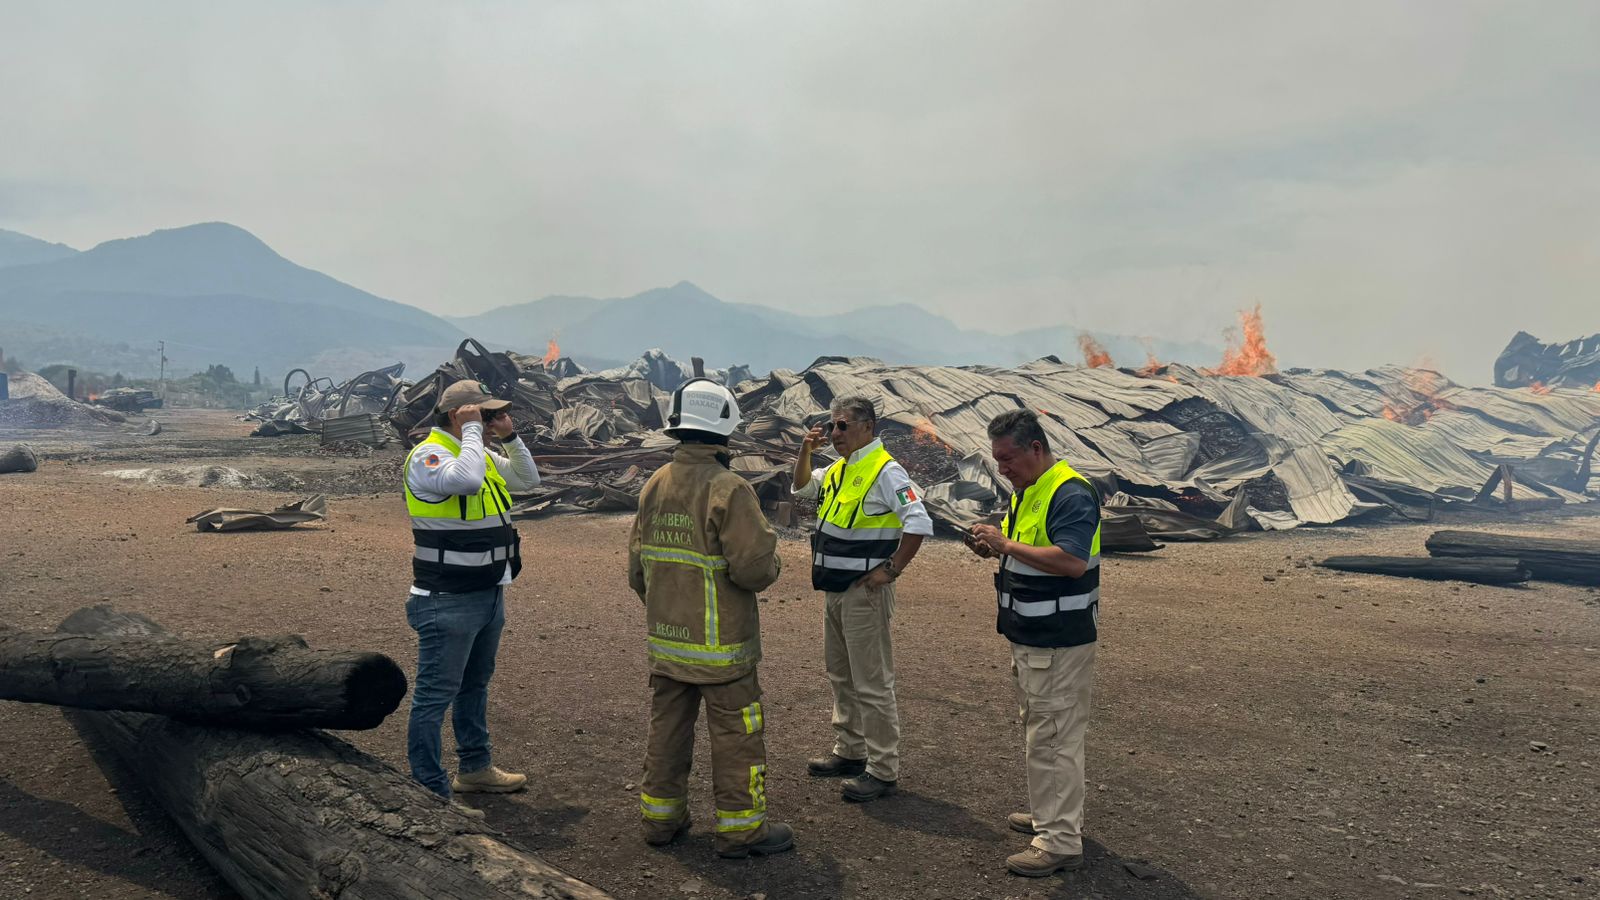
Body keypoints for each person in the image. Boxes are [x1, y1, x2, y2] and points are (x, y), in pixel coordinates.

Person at [628, 378, 795, 859]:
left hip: (667, 644)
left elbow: (638, 570)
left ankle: (660, 822)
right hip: (723, 652)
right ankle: (742, 832)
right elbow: (754, 571)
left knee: (666, 733)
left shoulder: (654, 484)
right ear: (725, 429)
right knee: (737, 738)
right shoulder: (729, 488)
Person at [965, 408, 1102, 877]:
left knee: (1056, 737)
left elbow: (1070, 562)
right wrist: (996, 546)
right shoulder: (1028, 491)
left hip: (1059, 641)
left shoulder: (1070, 493)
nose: (1001, 468)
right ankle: (1051, 818)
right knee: (1041, 732)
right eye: (997, 459)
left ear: (1035, 449)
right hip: (1031, 636)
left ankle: (1061, 841)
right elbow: (1029, 555)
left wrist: (1004, 545)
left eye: (1007, 458)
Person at [402, 379, 540, 807]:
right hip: (446, 598)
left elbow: (527, 479)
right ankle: (429, 790)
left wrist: (510, 436)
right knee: (433, 696)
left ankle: (476, 769)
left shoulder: (476, 453)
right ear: (459, 415)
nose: (489, 420)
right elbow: (464, 482)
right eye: (483, 413)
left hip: (488, 592)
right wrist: (475, 433)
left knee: (475, 685)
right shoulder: (431, 456)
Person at [791, 396, 931, 802]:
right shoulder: (839, 468)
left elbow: (918, 520)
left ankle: (882, 767)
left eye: (842, 425)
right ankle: (850, 750)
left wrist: (892, 569)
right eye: (833, 426)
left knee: (871, 681)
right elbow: (801, 487)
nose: (835, 434)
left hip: (863, 593)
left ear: (867, 426)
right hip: (835, 589)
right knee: (841, 674)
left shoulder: (886, 471)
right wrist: (804, 450)